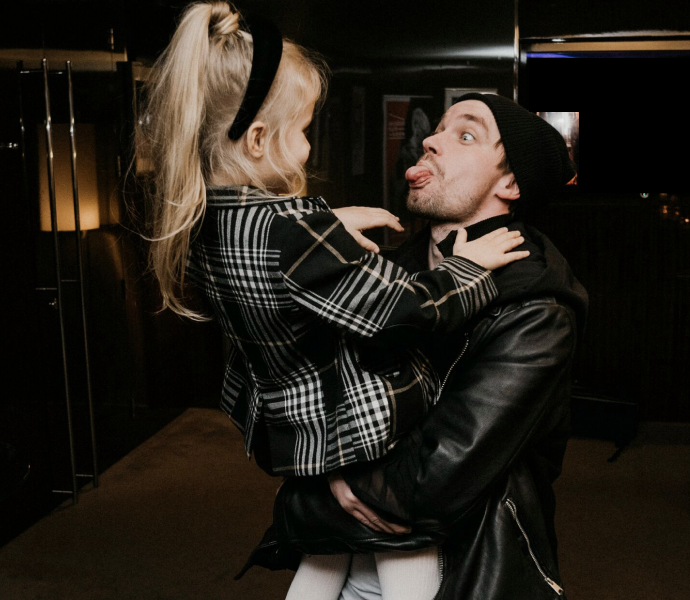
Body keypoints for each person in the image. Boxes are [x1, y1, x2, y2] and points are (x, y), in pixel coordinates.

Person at [133, 4, 532, 599]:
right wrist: (468, 268)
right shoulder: (296, 234)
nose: (306, 147)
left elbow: (265, 262)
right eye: (302, 131)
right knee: (408, 558)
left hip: (288, 426)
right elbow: (407, 311)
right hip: (360, 424)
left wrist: (326, 227)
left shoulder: (203, 222)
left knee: (321, 563)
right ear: (260, 140)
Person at [243, 93, 588, 600]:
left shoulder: (536, 311)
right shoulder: (384, 275)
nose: (430, 140)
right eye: (438, 128)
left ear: (511, 184)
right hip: (341, 561)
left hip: (463, 575)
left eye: (465, 134)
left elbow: (425, 489)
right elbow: (280, 400)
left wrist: (318, 482)